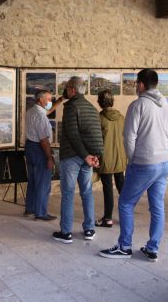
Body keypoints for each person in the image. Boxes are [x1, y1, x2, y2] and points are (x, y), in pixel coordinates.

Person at [99, 69, 168, 262]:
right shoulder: (167, 106)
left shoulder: (138, 105)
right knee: (157, 207)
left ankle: (124, 246)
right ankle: (152, 249)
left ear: (141, 84)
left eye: (136, 84)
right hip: (164, 163)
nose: (136, 87)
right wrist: (163, 153)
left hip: (144, 163)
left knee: (126, 203)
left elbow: (129, 138)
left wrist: (134, 160)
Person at [52, 76, 103, 243]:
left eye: (67, 88)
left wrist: (85, 156)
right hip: (87, 158)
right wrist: (93, 156)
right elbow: (95, 134)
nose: (65, 91)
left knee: (67, 193)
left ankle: (66, 232)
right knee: (87, 193)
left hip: (73, 157)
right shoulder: (91, 108)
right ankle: (89, 229)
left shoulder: (71, 107)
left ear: (72, 90)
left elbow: (73, 135)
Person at [24, 90, 59, 221]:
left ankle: (30, 209)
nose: (51, 102)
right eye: (49, 100)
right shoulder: (41, 116)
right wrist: (49, 158)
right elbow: (44, 140)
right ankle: (41, 212)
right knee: (43, 183)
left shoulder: (32, 111)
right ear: (41, 100)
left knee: (33, 181)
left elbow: (47, 111)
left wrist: (60, 101)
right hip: (40, 149)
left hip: (30, 147)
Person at [95, 89, 126, 228]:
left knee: (107, 189)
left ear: (100, 103)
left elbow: (97, 140)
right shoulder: (121, 117)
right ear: (112, 101)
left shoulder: (99, 118)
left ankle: (108, 218)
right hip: (120, 157)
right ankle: (126, 216)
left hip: (106, 157)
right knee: (122, 188)